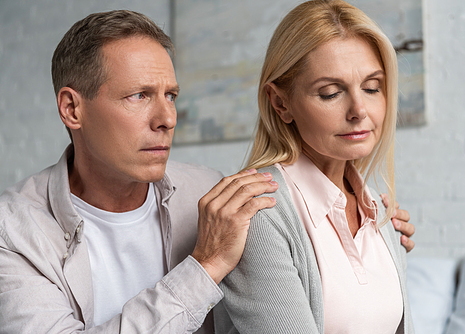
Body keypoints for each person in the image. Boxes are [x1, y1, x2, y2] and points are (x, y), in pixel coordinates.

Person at [0, 8, 413, 334]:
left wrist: (369, 236)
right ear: (73, 109)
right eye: (139, 95)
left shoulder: (214, 191)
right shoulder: (14, 230)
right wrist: (204, 267)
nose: (167, 118)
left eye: (171, 95)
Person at [214, 1, 414, 333]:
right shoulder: (258, 214)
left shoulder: (380, 212)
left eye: (372, 87)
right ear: (281, 103)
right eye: (331, 93)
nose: (359, 110)